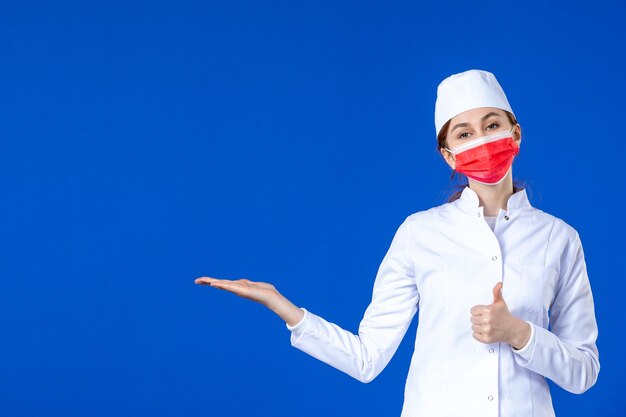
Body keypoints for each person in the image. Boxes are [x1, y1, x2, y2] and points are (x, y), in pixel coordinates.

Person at [195, 69, 600, 417]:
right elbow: (366, 358)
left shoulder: (559, 239)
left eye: (492, 125)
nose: (481, 140)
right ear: (449, 156)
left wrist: (520, 334)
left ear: (516, 133)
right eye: (464, 133)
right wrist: (282, 306)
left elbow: (583, 372)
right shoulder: (419, 233)